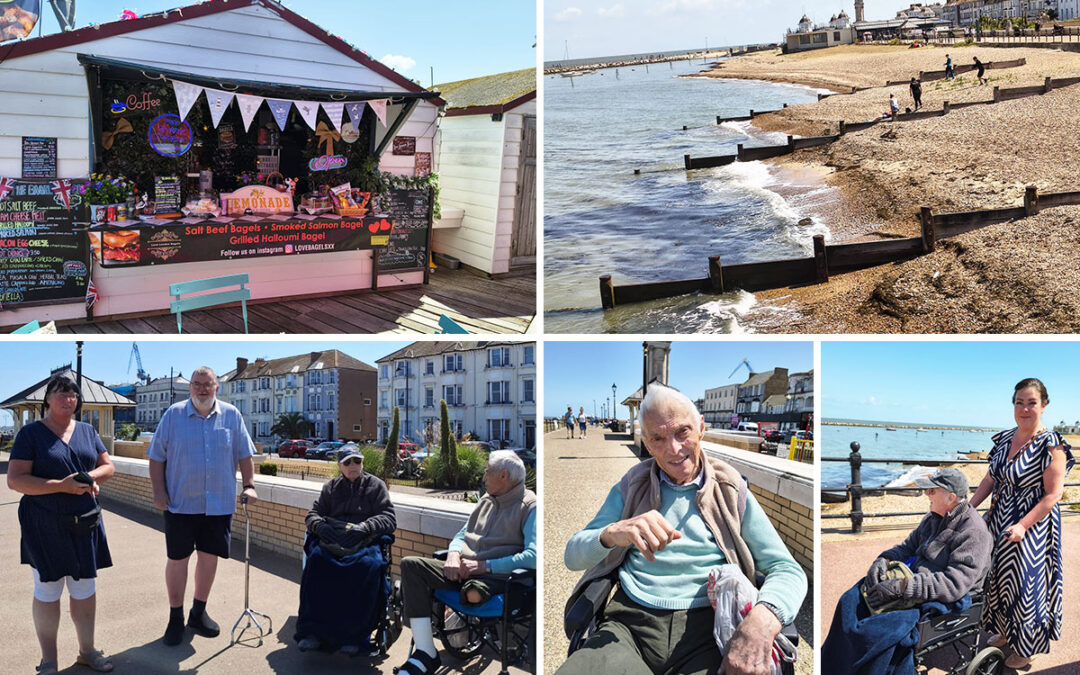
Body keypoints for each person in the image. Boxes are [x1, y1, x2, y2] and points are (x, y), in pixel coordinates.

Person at [557, 383, 807, 675]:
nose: (673, 449)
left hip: (707, 627)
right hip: (629, 624)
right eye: (658, 439)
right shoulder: (632, 485)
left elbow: (786, 569)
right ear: (647, 445)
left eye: (682, 432)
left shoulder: (730, 489)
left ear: (701, 427)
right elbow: (572, 556)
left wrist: (763, 620)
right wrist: (612, 533)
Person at [821, 468, 992, 674]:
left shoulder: (973, 531)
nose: (926, 495)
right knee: (850, 599)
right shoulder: (933, 517)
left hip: (940, 594)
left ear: (951, 497)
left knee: (878, 631)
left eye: (931, 491)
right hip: (913, 580)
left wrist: (902, 588)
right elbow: (907, 547)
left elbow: (954, 584)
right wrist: (884, 559)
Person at [8, 375, 116, 675]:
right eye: (60, 393)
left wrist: (90, 479)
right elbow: (15, 480)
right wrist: (61, 486)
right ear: (47, 399)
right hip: (44, 524)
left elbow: (108, 466)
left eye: (72, 394)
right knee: (48, 589)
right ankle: (49, 660)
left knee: (84, 589)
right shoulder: (30, 434)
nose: (68, 399)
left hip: (85, 523)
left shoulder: (87, 431)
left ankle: (87, 651)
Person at [395, 451, 536, 674]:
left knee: (473, 594)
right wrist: (453, 555)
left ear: (504, 476)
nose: (483, 477)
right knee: (411, 564)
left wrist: (485, 566)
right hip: (463, 568)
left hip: (494, 577)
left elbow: (533, 557)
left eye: (488, 471)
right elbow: (462, 535)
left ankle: (469, 595)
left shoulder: (529, 507)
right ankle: (425, 652)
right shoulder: (486, 500)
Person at [969, 378, 1075, 670]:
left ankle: (1026, 651)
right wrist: (969, 507)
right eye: (1019, 402)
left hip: (1032, 525)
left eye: (1031, 402)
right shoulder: (1005, 438)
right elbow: (991, 477)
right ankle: (1004, 633)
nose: (1024, 408)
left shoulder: (1051, 444)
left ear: (1044, 405)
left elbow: (1053, 495)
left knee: (1026, 587)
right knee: (999, 580)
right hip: (1000, 520)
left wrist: (1023, 526)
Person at [147, 366, 258, 646]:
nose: (202, 389)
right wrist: (158, 491)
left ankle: (198, 612)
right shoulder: (173, 415)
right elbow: (156, 457)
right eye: (197, 384)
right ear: (191, 388)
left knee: (209, 558)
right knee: (178, 560)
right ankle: (175, 617)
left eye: (207, 384)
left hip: (218, 505)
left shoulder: (232, 415)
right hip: (180, 504)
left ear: (217, 387)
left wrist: (249, 485)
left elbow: (245, 455)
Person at [296, 446, 397, 654]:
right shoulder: (331, 488)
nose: (353, 466)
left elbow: (389, 518)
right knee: (317, 562)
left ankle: (355, 636)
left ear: (362, 463)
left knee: (367, 566)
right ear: (340, 466)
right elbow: (312, 515)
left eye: (357, 461)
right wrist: (321, 527)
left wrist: (366, 527)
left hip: (363, 541)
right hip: (334, 541)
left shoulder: (376, 486)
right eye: (348, 462)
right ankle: (313, 632)